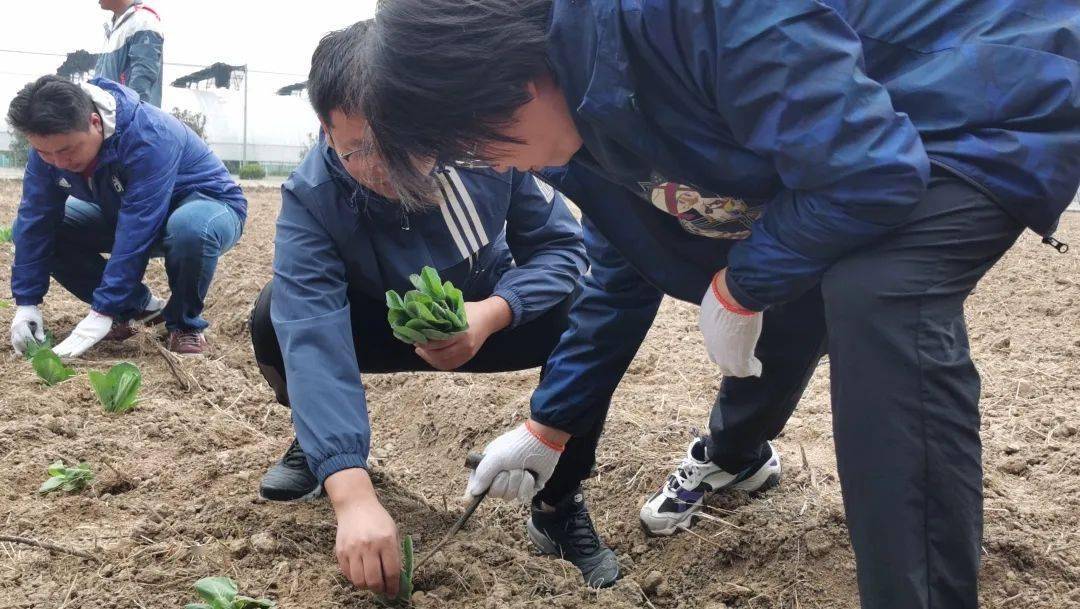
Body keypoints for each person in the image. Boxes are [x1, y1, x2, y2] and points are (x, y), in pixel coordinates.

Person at [358, 1, 1080, 607]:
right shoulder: (575, 123)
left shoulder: (695, 14)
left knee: (876, 289)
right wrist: (548, 427)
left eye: (475, 151)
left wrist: (740, 286)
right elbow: (619, 268)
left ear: (499, 82)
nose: (496, 170)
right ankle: (736, 454)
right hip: (871, 125)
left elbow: (873, 173)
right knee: (796, 260)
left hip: (984, 83)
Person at [247, 23, 589, 597]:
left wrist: (492, 313)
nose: (382, 167)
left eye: (400, 144)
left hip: (480, 316)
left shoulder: (483, 154)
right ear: (326, 132)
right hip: (378, 327)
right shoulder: (312, 198)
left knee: (583, 314)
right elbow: (313, 334)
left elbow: (563, 248)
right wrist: (353, 496)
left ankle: (559, 501)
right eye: (356, 149)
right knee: (271, 316)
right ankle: (319, 450)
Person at [7, 75, 246, 357]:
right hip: (124, 208)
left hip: (207, 204)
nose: (58, 163)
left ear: (95, 123)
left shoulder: (149, 135)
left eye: (67, 150)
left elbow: (137, 227)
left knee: (189, 230)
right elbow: (36, 218)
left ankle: (184, 324)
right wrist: (26, 303)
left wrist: (102, 309)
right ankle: (140, 309)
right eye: (44, 153)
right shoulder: (50, 148)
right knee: (46, 230)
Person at [95, 0, 164, 107]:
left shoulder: (143, 21)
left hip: (127, 121)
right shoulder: (115, 27)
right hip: (109, 118)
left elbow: (139, 91)